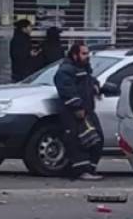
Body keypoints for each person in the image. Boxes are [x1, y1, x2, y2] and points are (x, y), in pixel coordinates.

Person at [54, 42, 103, 181]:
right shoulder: (66, 70)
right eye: (84, 53)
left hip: (87, 111)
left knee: (96, 138)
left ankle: (91, 169)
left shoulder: (84, 69)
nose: (87, 56)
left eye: (88, 53)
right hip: (72, 113)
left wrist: (96, 86)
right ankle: (81, 171)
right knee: (77, 141)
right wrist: (77, 107)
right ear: (75, 55)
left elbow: (90, 81)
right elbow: (67, 90)